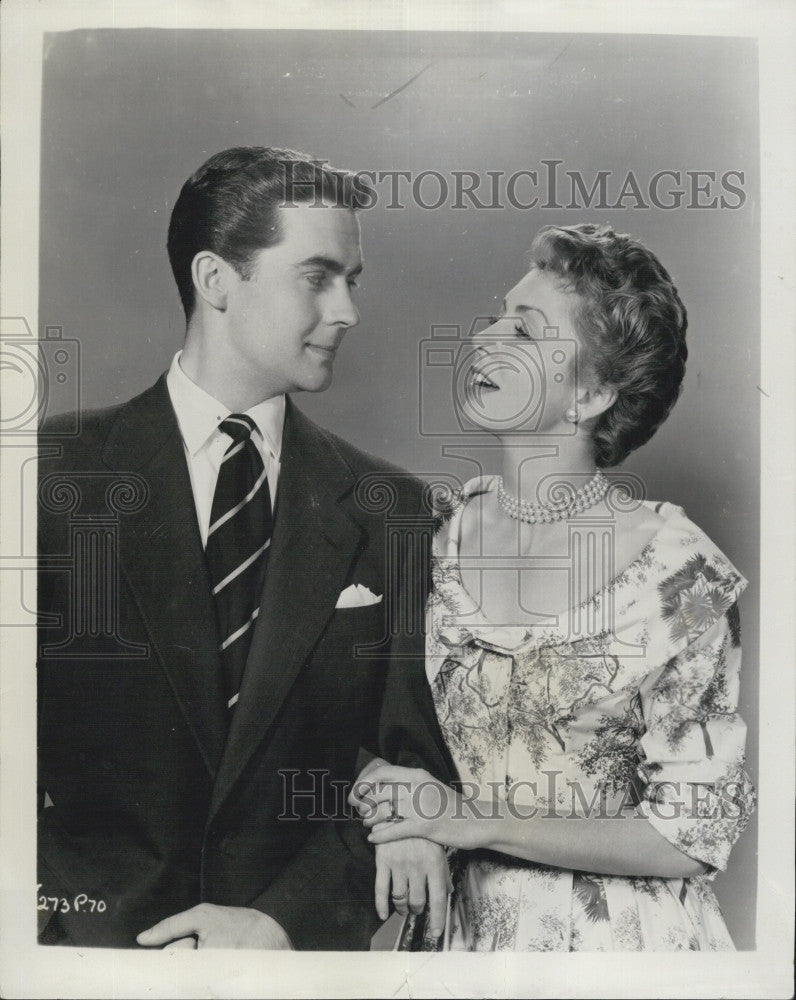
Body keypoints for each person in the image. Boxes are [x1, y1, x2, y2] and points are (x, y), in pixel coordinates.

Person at [36, 146, 456, 949]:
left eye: (352, 281)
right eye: (317, 276)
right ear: (215, 279)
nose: (348, 312)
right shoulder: (46, 479)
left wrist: (281, 923)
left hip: (287, 962)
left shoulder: (393, 510)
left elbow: (414, 769)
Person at [351, 223, 755, 951]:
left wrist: (471, 821)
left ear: (591, 392)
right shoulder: (426, 534)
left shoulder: (682, 573)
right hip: (456, 949)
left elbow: (692, 833)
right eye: (496, 317)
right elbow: (338, 726)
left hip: (623, 953)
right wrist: (386, 788)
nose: (485, 340)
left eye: (526, 331)